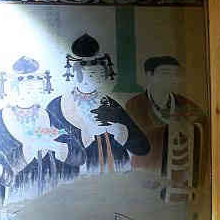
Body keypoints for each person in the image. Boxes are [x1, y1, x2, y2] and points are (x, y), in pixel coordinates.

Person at [47, 33, 149, 175]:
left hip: (116, 169)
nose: (93, 79)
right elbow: (53, 143)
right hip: (78, 175)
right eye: (88, 74)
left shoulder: (110, 103)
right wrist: (86, 134)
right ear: (75, 74)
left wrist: (120, 131)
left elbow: (142, 147)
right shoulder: (58, 106)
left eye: (99, 74)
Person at [0, 56, 83, 203]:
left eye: (36, 84)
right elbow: (1, 169)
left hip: (53, 195)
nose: (31, 90)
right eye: (25, 85)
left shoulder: (48, 116)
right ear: (13, 87)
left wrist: (56, 146)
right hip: (20, 198)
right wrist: (29, 149)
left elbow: (79, 156)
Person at [125, 56, 209, 202]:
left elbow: (201, 123)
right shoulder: (135, 104)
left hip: (180, 174)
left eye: (175, 74)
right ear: (149, 75)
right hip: (147, 173)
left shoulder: (185, 104)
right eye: (165, 73)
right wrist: (170, 129)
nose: (171, 78)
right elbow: (139, 136)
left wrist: (190, 128)